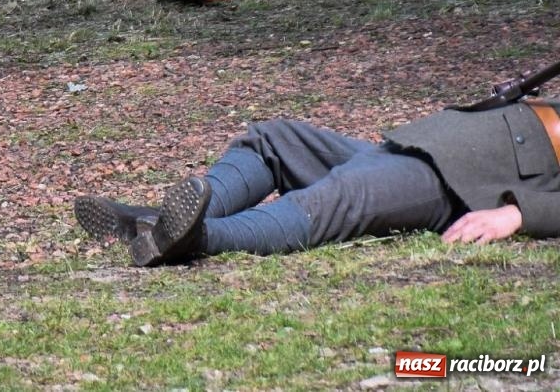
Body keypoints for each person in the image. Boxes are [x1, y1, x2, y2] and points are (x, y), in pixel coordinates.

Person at [75, 97, 560, 267]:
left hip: (465, 178)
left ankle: (194, 238)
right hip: (426, 146)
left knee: (335, 198)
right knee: (274, 140)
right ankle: (161, 221)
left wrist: (516, 213)